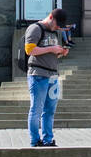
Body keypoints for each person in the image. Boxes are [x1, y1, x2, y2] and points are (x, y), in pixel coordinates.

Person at [24, 8, 70, 147]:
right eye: (57, 24)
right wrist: (51, 49)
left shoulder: (55, 32)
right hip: (38, 75)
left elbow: (52, 52)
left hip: (53, 76)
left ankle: (48, 139)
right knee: (36, 109)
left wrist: (61, 52)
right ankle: (34, 140)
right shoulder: (35, 28)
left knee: (50, 110)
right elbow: (29, 50)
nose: (57, 27)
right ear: (50, 17)